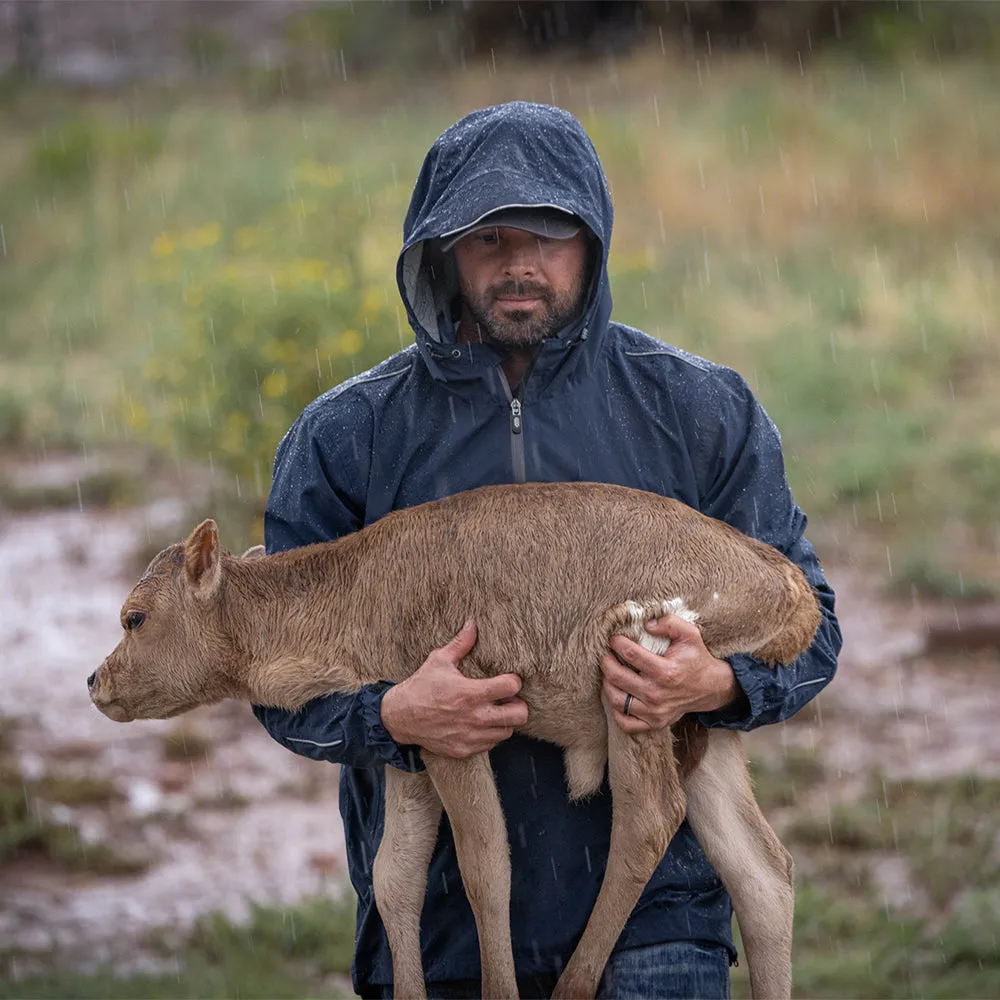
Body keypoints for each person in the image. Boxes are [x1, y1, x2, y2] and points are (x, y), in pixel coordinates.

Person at [253, 101, 841, 1000]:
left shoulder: (697, 410)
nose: (520, 263)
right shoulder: (347, 436)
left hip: (661, 928)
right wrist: (392, 718)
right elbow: (269, 676)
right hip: (442, 935)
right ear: (441, 251)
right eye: (489, 239)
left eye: (550, 235)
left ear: (593, 243)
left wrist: (716, 685)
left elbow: (814, 632)